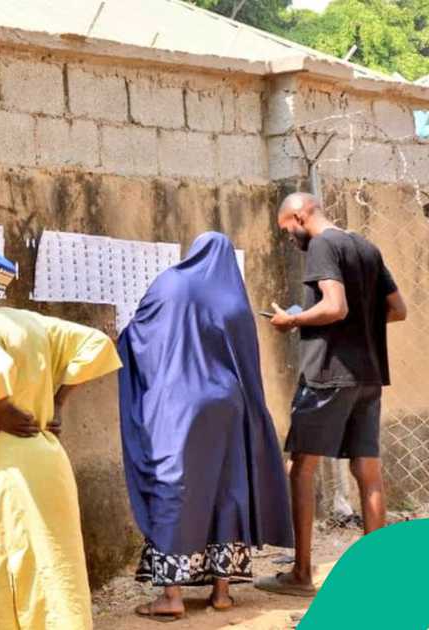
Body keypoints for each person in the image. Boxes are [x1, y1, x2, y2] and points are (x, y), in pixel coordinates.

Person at [0, 235, 122, 630]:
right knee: (58, 572)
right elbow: (97, 344)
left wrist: (0, 407)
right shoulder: (29, 321)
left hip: (13, 467)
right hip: (48, 458)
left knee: (18, 571)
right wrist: (58, 399)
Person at [118, 232, 294, 621]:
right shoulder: (234, 298)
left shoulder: (172, 282)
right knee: (226, 489)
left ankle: (171, 596)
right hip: (229, 406)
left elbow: (138, 334)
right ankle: (222, 592)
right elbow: (248, 364)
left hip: (178, 405)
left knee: (175, 487)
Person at [257, 192, 406, 597]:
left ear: (301, 214)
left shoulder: (324, 244)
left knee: (300, 467)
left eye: (286, 227)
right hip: (369, 375)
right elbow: (398, 309)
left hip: (328, 375)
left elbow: (335, 306)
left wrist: (293, 319)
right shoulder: (366, 246)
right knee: (368, 471)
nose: (288, 236)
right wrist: (362, 326)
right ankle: (381, 575)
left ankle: (301, 574)